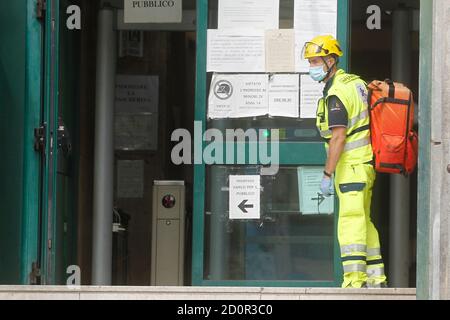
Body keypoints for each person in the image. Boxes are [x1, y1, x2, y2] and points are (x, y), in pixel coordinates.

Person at [302, 35, 387, 288]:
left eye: (315, 61)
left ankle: (354, 280)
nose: (312, 67)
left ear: (331, 60)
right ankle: (376, 278)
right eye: (309, 62)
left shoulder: (336, 93)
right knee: (363, 219)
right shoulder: (356, 83)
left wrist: (327, 174)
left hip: (350, 167)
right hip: (364, 165)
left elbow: (338, 136)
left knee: (350, 221)